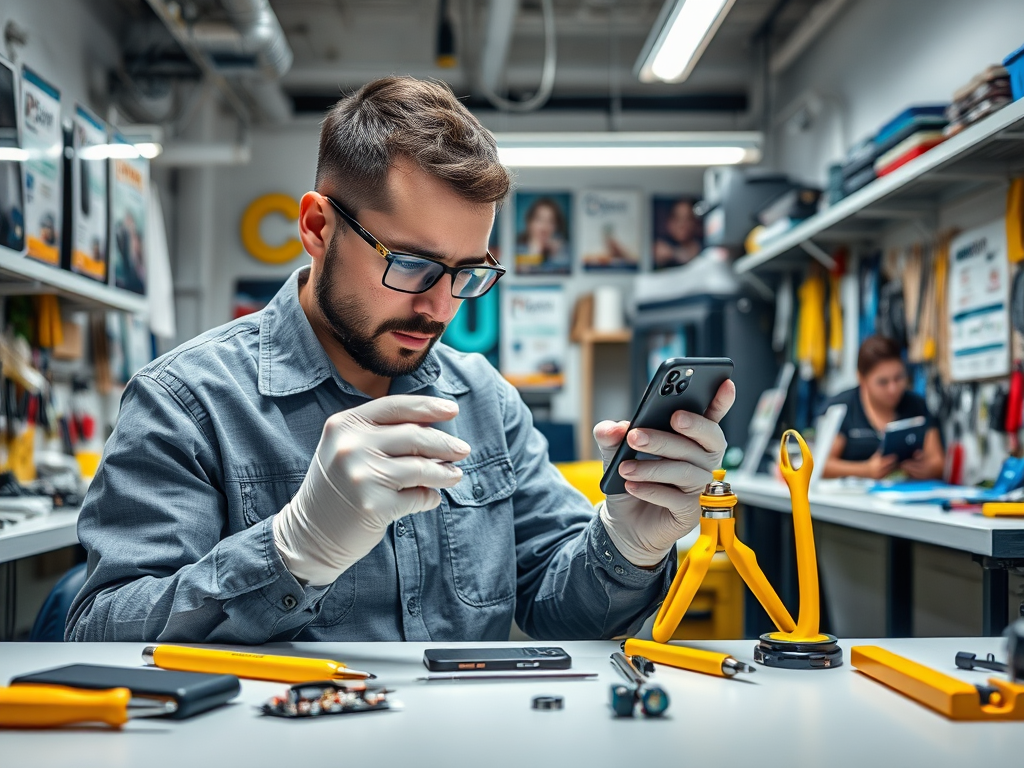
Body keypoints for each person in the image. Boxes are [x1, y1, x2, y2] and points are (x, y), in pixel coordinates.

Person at [67, 77, 735, 644]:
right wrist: (291, 552)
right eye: (413, 265)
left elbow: (560, 610)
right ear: (317, 228)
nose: (442, 307)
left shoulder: (485, 403)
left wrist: (627, 547)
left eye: (468, 273)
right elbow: (99, 630)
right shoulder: (186, 402)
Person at [822, 335, 943, 480]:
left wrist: (925, 468)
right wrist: (865, 470)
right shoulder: (843, 407)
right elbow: (822, 465)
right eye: (882, 382)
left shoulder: (916, 405)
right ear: (862, 379)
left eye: (898, 378)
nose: (893, 389)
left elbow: (938, 462)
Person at [516, 196, 570, 271]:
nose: (544, 226)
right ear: (529, 222)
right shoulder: (516, 248)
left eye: (551, 221)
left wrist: (555, 255)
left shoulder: (565, 249)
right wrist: (534, 254)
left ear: (557, 226)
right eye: (539, 219)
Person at [653, 198, 702, 269]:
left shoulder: (704, 247)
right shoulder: (660, 245)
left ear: (695, 223)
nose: (682, 225)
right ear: (669, 222)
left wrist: (674, 253)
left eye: (688, 219)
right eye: (677, 218)